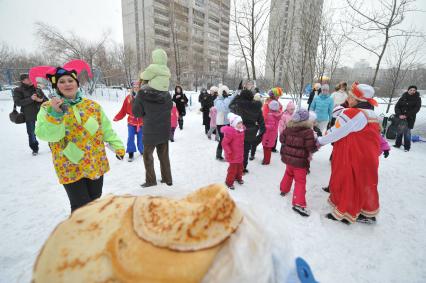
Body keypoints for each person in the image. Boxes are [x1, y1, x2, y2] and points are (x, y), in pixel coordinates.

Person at [32, 60, 125, 212]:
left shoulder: (92, 106)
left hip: (94, 161)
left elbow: (106, 129)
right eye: (62, 81)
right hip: (69, 164)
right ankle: (81, 233)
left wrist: (118, 146)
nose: (67, 84)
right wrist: (56, 115)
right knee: (80, 206)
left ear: (77, 83)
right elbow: (46, 135)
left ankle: (92, 228)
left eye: (70, 80)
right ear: (56, 86)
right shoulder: (48, 108)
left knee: (95, 200)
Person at [318, 82, 381, 224]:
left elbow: (335, 131)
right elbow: (336, 112)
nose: (348, 98)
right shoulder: (371, 113)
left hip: (353, 155)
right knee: (363, 183)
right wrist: (348, 103)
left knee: (348, 182)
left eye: (351, 96)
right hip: (369, 156)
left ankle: (346, 213)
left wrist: (319, 141)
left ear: (357, 100)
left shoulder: (352, 113)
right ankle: (366, 212)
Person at [132, 49, 173, 187]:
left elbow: (136, 113)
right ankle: (168, 179)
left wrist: (136, 97)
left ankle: (151, 180)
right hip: (164, 130)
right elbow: (169, 109)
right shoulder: (167, 94)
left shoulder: (143, 94)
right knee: (164, 156)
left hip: (150, 131)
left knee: (148, 156)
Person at [279, 109, 317, 217]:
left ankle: (284, 189)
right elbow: (311, 147)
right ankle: (298, 203)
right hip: (300, 162)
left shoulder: (288, 128)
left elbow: (282, 139)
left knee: (288, 173)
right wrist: (315, 145)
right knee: (300, 181)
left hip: (288, 159)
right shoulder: (308, 131)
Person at [229, 89, 265, 173]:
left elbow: (230, 106)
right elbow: (262, 122)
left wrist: (237, 95)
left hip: (239, 131)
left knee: (237, 150)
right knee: (245, 151)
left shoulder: (238, 105)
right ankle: (243, 168)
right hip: (251, 133)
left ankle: (235, 168)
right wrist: (259, 135)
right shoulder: (257, 107)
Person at [13, 73, 48, 155]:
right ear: (23, 81)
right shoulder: (18, 90)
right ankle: (35, 148)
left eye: (31, 78)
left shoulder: (37, 88)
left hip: (41, 113)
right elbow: (18, 102)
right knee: (31, 132)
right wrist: (31, 99)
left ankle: (51, 144)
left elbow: (46, 100)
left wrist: (41, 100)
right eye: (28, 78)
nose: (30, 79)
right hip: (29, 114)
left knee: (47, 129)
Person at [113, 81, 144, 162]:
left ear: (139, 87)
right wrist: (117, 117)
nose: (136, 88)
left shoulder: (143, 97)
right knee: (130, 137)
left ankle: (142, 150)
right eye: (135, 86)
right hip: (131, 122)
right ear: (132, 87)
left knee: (141, 138)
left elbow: (148, 109)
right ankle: (131, 152)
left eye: (138, 86)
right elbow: (123, 109)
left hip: (141, 122)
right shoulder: (128, 98)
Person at [393, 86, 422, 152]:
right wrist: (399, 114)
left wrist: (406, 115)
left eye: (414, 90)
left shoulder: (418, 98)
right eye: (411, 90)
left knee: (407, 133)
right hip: (400, 117)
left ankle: (407, 147)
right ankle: (398, 144)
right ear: (408, 90)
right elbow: (397, 106)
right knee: (399, 131)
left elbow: (416, 109)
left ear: (416, 91)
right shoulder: (403, 97)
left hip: (410, 118)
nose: (412, 91)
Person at [221, 113, 245, 190]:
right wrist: (229, 152)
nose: (240, 124)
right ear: (234, 124)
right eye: (238, 123)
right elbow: (224, 143)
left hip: (240, 154)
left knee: (240, 167)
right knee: (232, 169)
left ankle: (238, 178)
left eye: (241, 122)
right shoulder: (231, 133)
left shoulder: (241, 131)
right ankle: (229, 182)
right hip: (233, 155)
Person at [214, 84, 237, 160]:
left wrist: (239, 90)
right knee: (223, 139)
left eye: (226, 92)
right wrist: (227, 98)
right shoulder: (217, 101)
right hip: (221, 123)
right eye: (224, 92)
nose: (225, 93)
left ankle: (228, 154)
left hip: (228, 122)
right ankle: (218, 155)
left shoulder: (227, 98)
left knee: (228, 139)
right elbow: (224, 108)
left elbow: (233, 96)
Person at [262, 100, 282, 165]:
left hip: (268, 134)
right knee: (268, 147)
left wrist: (263, 125)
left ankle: (266, 161)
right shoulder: (277, 114)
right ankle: (266, 159)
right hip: (272, 134)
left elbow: (271, 126)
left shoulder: (270, 115)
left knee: (266, 147)